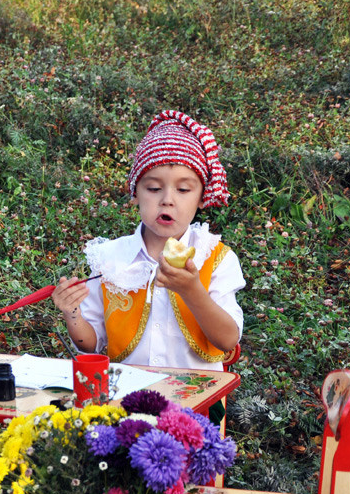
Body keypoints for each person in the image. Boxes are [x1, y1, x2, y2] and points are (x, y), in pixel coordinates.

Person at [52, 110, 245, 373]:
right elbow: (92, 344)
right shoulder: (110, 259)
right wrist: (72, 312)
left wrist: (191, 290)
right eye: (153, 188)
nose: (167, 200)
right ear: (135, 193)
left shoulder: (215, 258)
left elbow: (227, 340)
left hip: (195, 397)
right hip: (127, 393)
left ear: (202, 197)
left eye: (183, 189)